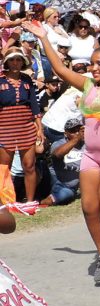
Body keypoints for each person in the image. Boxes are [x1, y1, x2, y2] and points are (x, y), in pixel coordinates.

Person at [28, 21, 100, 283]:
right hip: (92, 154)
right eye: (92, 63)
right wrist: (44, 37)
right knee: (89, 207)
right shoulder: (88, 85)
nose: (95, 67)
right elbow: (58, 68)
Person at [0, 46, 43, 202]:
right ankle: (6, 202)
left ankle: (30, 202)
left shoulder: (26, 80)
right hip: (4, 127)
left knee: (29, 165)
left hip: (26, 126)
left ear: (22, 62)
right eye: (12, 60)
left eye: (18, 60)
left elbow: (34, 105)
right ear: (7, 62)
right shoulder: (0, 79)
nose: (15, 63)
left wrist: (39, 127)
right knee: (5, 168)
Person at [40, 116, 84, 206]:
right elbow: (58, 154)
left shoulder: (87, 144)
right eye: (73, 131)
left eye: (79, 130)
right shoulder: (58, 143)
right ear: (65, 133)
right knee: (65, 195)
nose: (77, 133)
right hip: (61, 184)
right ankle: (38, 203)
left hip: (77, 186)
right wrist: (77, 138)